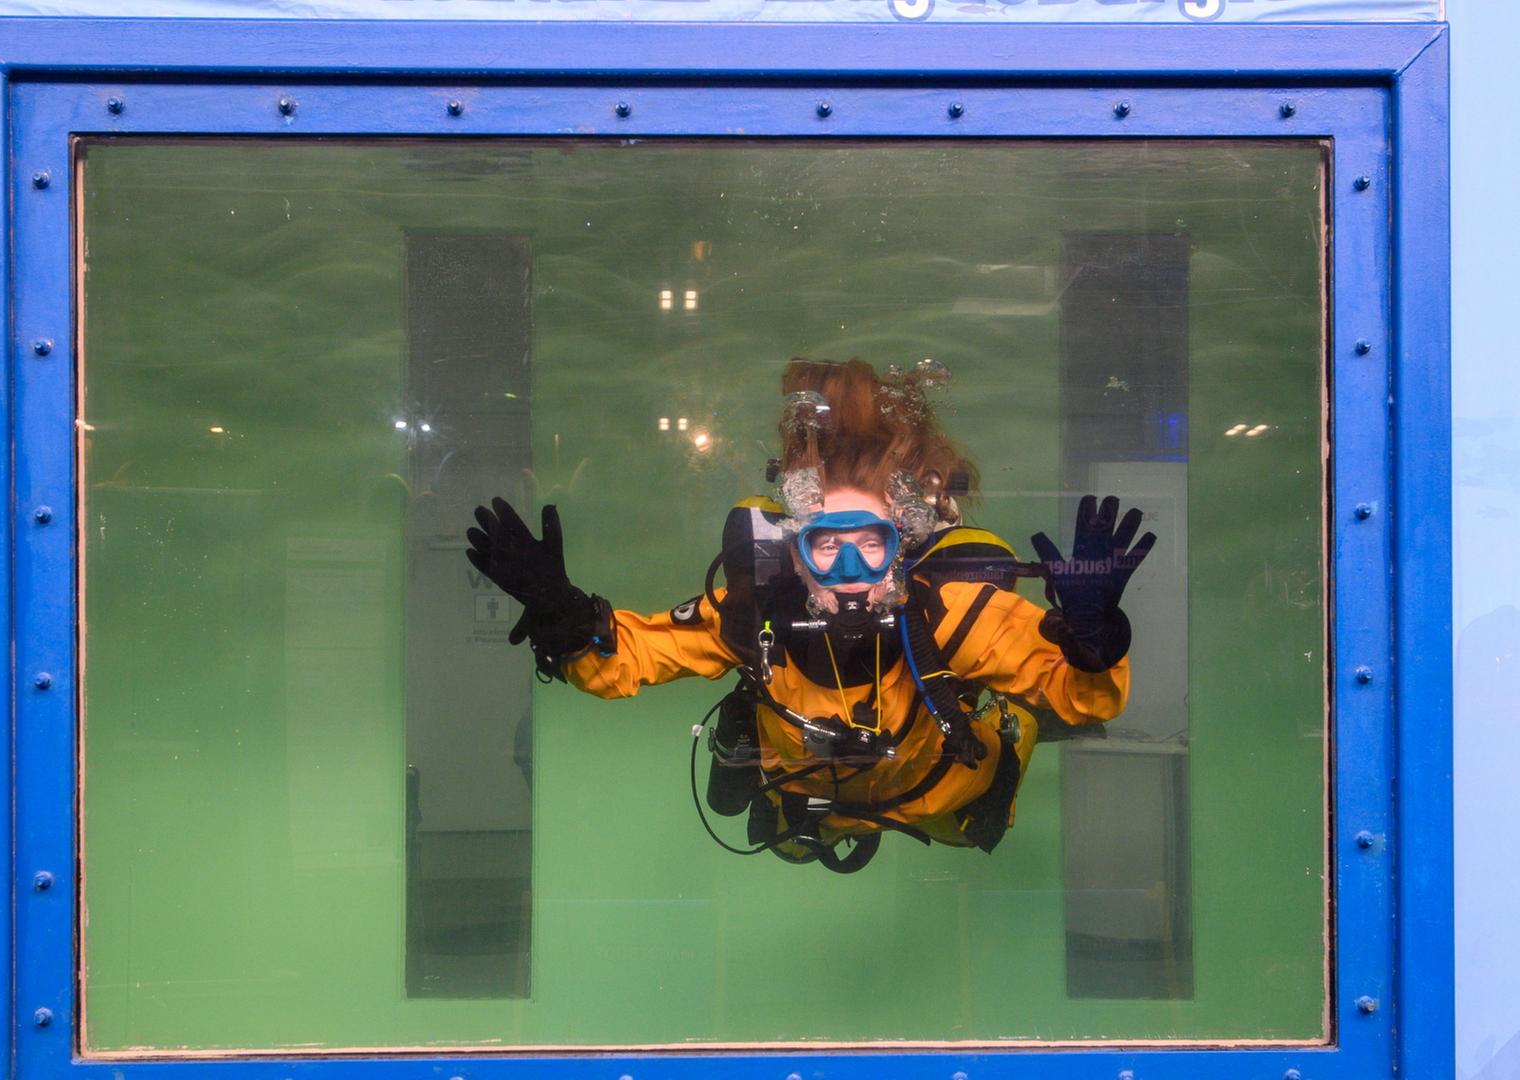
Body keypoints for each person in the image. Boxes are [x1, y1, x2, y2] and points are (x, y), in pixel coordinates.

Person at [466, 358, 1155, 873]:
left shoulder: (948, 610)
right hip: (815, 808)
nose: (849, 571)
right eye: (826, 545)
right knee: (790, 841)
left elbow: (1084, 695)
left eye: (870, 545)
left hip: (938, 794)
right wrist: (563, 616)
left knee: (982, 820)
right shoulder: (753, 613)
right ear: (796, 553)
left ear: (902, 549)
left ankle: (1013, 731)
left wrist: (1094, 642)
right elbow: (633, 657)